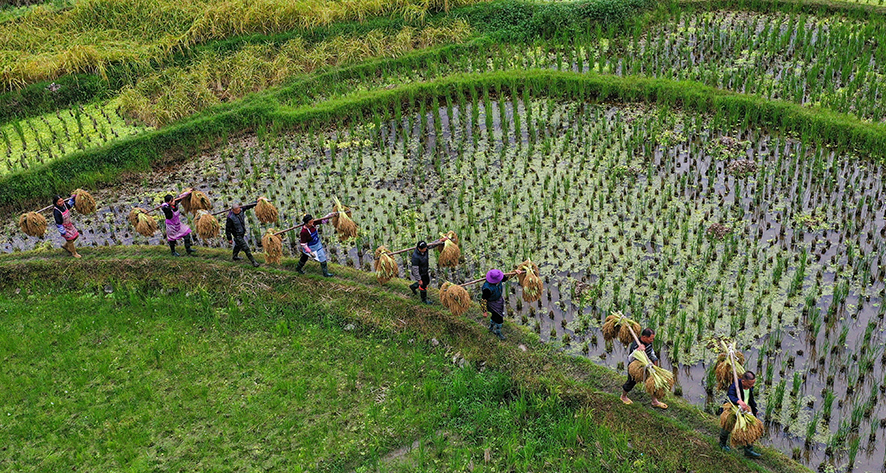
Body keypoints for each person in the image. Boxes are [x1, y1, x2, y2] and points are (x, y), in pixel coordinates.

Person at [620, 328, 668, 409]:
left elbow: (651, 353)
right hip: (636, 368)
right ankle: (623, 397)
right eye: (651, 338)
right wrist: (637, 350)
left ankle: (654, 401)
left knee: (652, 383)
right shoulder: (635, 345)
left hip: (648, 366)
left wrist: (655, 363)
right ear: (644, 337)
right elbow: (630, 358)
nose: (652, 340)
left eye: (653, 338)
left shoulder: (648, 343)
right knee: (631, 383)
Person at [720, 371, 761, 458]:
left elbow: (751, 399)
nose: (752, 385)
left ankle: (748, 450)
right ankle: (722, 444)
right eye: (750, 383)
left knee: (749, 430)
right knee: (727, 427)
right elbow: (730, 395)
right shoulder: (736, 385)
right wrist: (739, 401)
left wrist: (754, 410)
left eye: (753, 383)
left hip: (744, 411)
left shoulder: (749, 388)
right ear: (743, 381)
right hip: (733, 410)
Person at [480, 269, 521, 340]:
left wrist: (515, 273)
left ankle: (491, 327)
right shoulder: (487, 289)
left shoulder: (499, 280)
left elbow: (506, 278)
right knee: (499, 319)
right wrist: (484, 311)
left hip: (498, 300)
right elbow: (483, 300)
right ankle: (498, 332)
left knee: (495, 315)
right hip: (492, 303)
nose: (501, 279)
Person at [296, 213, 334, 277]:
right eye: (310, 223)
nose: (311, 224)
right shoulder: (304, 232)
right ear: (306, 223)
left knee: (322, 258)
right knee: (304, 257)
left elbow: (323, 221)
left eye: (312, 222)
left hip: (317, 244)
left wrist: (330, 215)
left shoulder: (313, 223)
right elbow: (303, 243)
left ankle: (325, 274)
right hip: (309, 246)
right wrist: (310, 251)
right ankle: (298, 268)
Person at [225, 203, 259, 267]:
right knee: (246, 248)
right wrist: (229, 238)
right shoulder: (230, 217)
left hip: (242, 233)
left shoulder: (241, 210)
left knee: (238, 245)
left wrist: (257, 202)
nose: (238, 212)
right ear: (232, 210)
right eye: (236, 211)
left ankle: (235, 256)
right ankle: (253, 261)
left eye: (239, 210)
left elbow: (248, 206)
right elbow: (228, 229)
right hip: (237, 235)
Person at [53, 194, 81, 258]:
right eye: (59, 201)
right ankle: (74, 253)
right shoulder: (56, 211)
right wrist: (63, 232)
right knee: (70, 240)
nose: (61, 202)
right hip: (64, 227)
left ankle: (65, 246)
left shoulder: (64, 205)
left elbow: (69, 205)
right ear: (56, 203)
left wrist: (72, 199)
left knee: (76, 235)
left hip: (69, 224)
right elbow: (58, 223)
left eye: (62, 200)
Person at [409, 240, 432, 304]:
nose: (426, 249)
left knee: (427, 282)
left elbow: (432, 245)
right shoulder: (415, 257)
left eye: (426, 248)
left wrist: (440, 240)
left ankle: (413, 286)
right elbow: (415, 269)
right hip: (420, 273)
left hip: (425, 270)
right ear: (419, 249)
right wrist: (419, 279)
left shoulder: (425, 249)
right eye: (424, 249)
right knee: (423, 286)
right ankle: (424, 300)